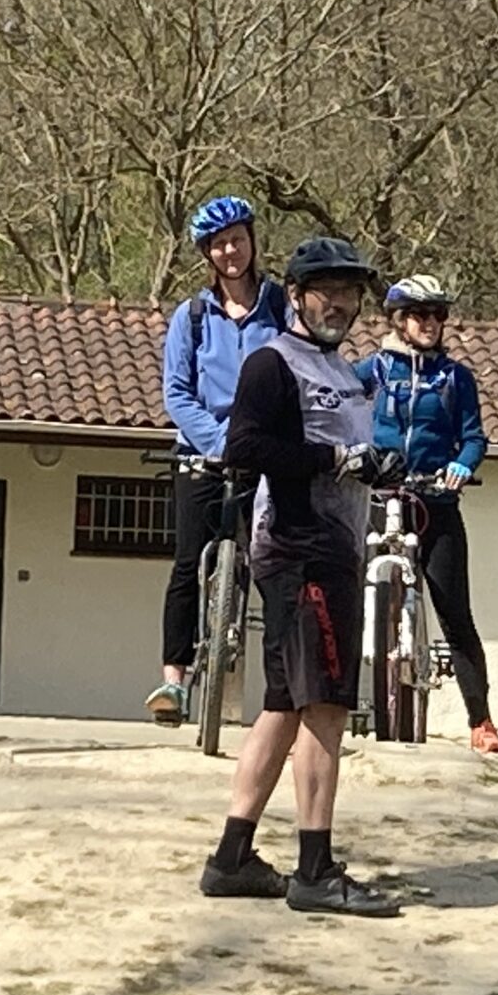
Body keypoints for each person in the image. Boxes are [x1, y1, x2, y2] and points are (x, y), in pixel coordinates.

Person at [198, 237, 407, 917]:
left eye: (350, 294)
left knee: (286, 703)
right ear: (295, 295)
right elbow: (245, 448)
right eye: (327, 291)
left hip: (337, 545)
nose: (341, 304)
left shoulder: (345, 372)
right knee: (326, 705)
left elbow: (346, 452)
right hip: (299, 547)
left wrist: (375, 464)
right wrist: (333, 462)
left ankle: (231, 859)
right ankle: (315, 870)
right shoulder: (271, 362)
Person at [150, 194, 289, 724]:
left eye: (237, 239)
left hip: (265, 450)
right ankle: (173, 683)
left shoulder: (280, 307)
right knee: (188, 564)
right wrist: (216, 440)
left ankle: (282, 689)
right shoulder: (191, 315)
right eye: (218, 244)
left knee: (270, 566)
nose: (230, 251)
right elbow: (177, 392)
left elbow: (295, 371)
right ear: (207, 254)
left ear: (253, 241)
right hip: (202, 452)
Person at [354, 275, 498, 752]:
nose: (431, 323)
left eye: (438, 315)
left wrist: (462, 463)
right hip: (379, 497)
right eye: (420, 314)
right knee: (340, 598)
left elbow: (474, 436)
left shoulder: (456, 378)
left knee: (455, 612)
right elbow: (337, 409)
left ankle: (481, 721)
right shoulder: (373, 370)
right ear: (398, 319)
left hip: (435, 502)